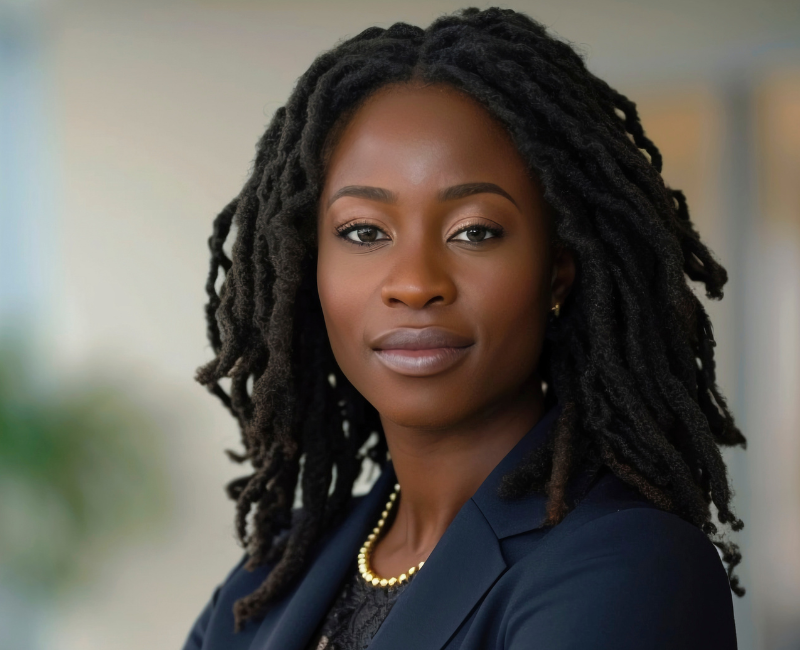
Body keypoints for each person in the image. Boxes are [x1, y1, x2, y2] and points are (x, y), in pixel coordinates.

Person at [183, 7, 745, 650]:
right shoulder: (266, 580)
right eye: (364, 233)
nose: (415, 282)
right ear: (308, 269)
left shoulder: (629, 566)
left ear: (558, 271)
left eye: (475, 231)